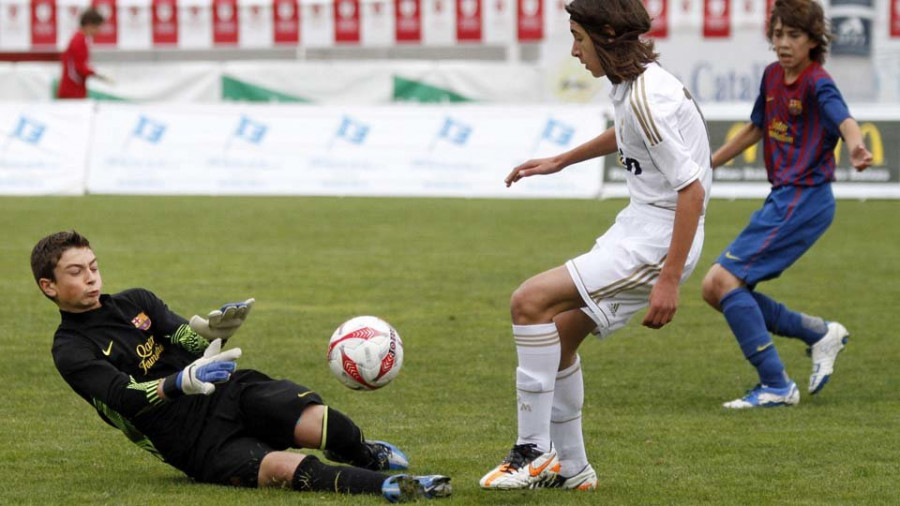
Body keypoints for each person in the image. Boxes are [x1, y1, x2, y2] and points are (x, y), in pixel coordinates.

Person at [31, 230, 451, 503]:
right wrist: (180, 382)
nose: (91, 277)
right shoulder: (70, 349)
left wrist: (218, 332)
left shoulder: (136, 302)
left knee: (324, 424)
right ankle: (394, 487)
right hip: (188, 439)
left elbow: (189, 343)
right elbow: (124, 397)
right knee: (282, 470)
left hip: (227, 392)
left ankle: (364, 454)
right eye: (76, 272)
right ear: (48, 286)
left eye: (94, 266)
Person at [479, 0, 711, 491]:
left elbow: (692, 191)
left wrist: (669, 281)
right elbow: (629, 135)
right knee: (559, 337)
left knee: (530, 301)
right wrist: (562, 160)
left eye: (578, 38)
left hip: (657, 239)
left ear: (606, 34)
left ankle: (532, 453)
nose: (574, 50)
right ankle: (573, 469)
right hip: (641, 227)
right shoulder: (638, 84)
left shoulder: (650, 98)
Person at [700, 0, 873, 410]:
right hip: (784, 196)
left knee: (723, 282)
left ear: (814, 41)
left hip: (805, 198)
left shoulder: (818, 83)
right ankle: (817, 333)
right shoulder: (772, 76)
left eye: (793, 35)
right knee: (715, 289)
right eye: (777, 34)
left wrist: (857, 146)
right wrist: (708, 165)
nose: (783, 42)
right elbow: (757, 127)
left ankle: (776, 384)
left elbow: (845, 120)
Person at [57, 7, 110, 99]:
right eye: (97, 27)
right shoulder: (80, 41)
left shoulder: (79, 38)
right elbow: (80, 68)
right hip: (73, 91)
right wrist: (97, 74)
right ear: (89, 25)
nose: (99, 31)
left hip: (74, 89)